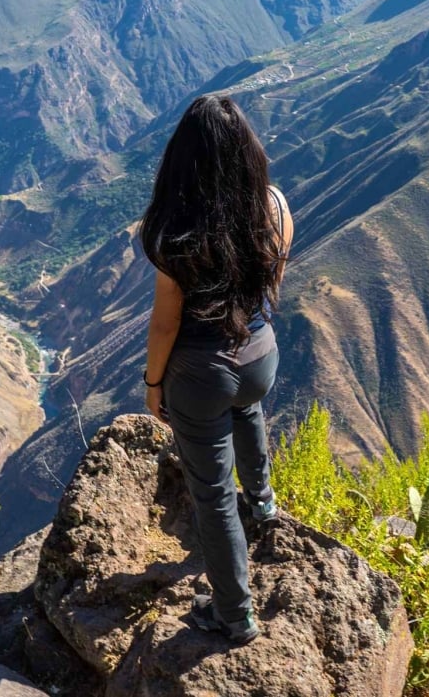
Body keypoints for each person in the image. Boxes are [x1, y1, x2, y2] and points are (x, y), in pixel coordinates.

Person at [139, 93, 294, 646]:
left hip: (202, 376)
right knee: (246, 406)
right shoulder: (274, 205)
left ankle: (235, 615)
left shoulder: (179, 235)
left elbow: (164, 327)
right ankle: (266, 505)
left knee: (211, 495)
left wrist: (154, 385)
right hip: (261, 357)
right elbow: (270, 275)